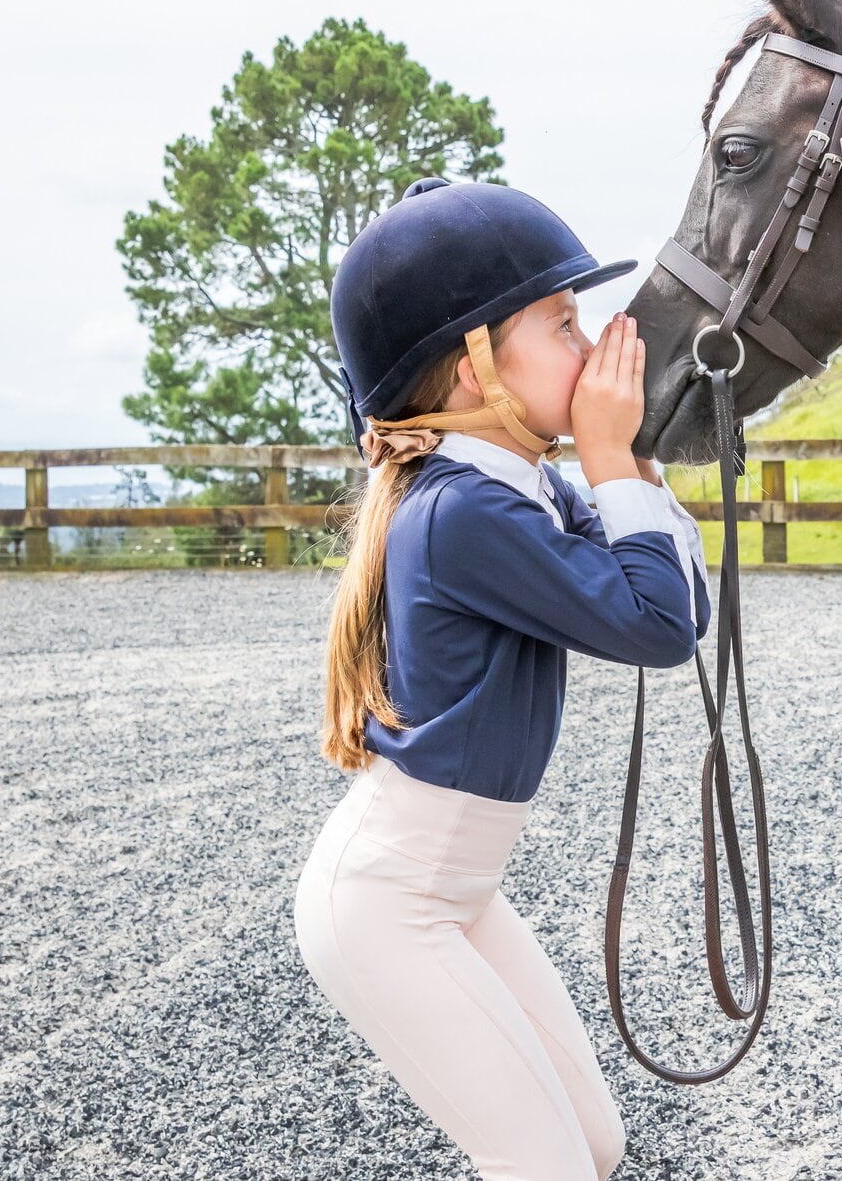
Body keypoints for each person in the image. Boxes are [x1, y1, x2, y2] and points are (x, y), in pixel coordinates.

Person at [293, 177, 707, 1180]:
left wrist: (627, 461)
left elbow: (681, 612)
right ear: (475, 363)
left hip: (452, 889)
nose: (593, 343)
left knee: (593, 1147)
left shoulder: (514, 484)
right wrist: (611, 457)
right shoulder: (463, 512)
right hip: (393, 901)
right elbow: (653, 624)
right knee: (545, 1167)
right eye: (563, 324)